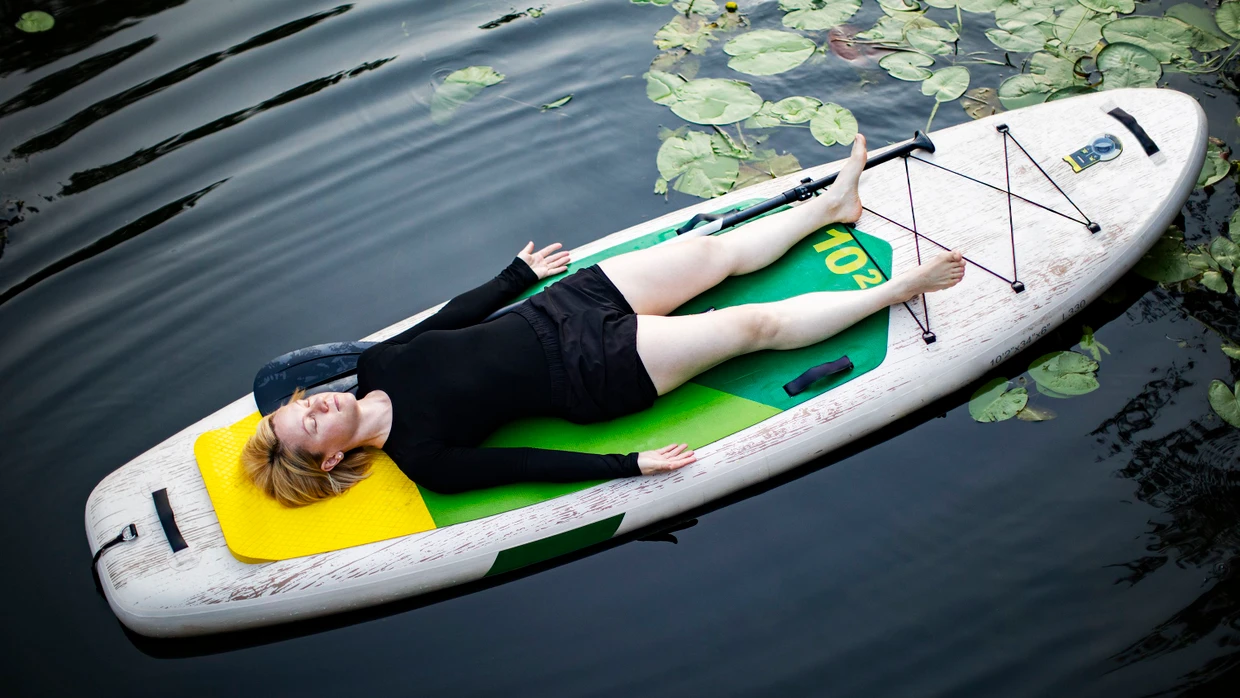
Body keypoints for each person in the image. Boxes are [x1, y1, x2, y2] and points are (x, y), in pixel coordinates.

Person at [243, 135, 966, 506]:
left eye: (305, 405)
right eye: (310, 424)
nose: (319, 405)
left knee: (710, 253)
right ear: (331, 458)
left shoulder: (376, 366)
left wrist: (515, 277)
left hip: (561, 307)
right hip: (597, 370)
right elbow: (529, 466)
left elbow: (449, 318)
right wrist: (630, 467)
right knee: (752, 326)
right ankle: (899, 289)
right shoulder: (427, 459)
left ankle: (830, 207)